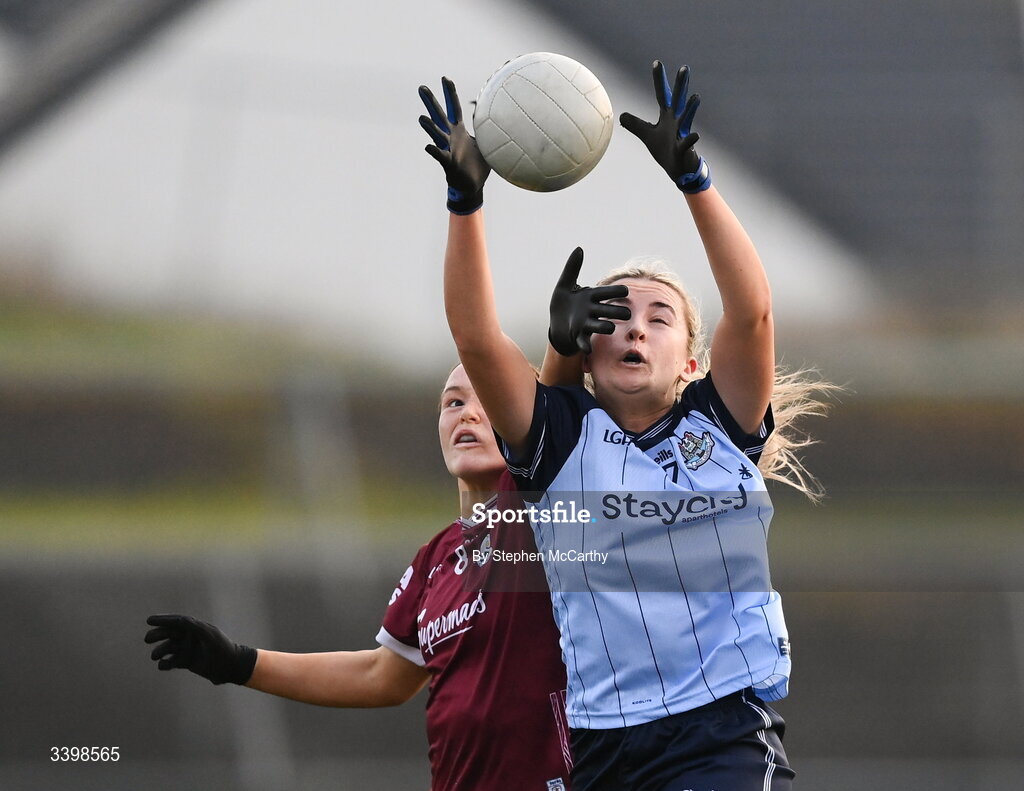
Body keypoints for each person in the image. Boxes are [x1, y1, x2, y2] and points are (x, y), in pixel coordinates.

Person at [419, 60, 835, 790]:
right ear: (587, 349)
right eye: (613, 316)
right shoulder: (561, 441)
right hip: (607, 746)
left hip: (722, 732)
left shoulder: (722, 420)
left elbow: (755, 311)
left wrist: (695, 179)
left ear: (690, 361)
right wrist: (465, 200)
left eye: (658, 316)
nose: (634, 328)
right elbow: (478, 338)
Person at [145, 363, 578, 791]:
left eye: (489, 395)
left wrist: (564, 346)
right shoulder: (436, 558)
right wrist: (239, 663)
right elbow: (382, 676)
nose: (467, 413)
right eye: (454, 402)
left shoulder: (543, 515)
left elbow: (550, 389)